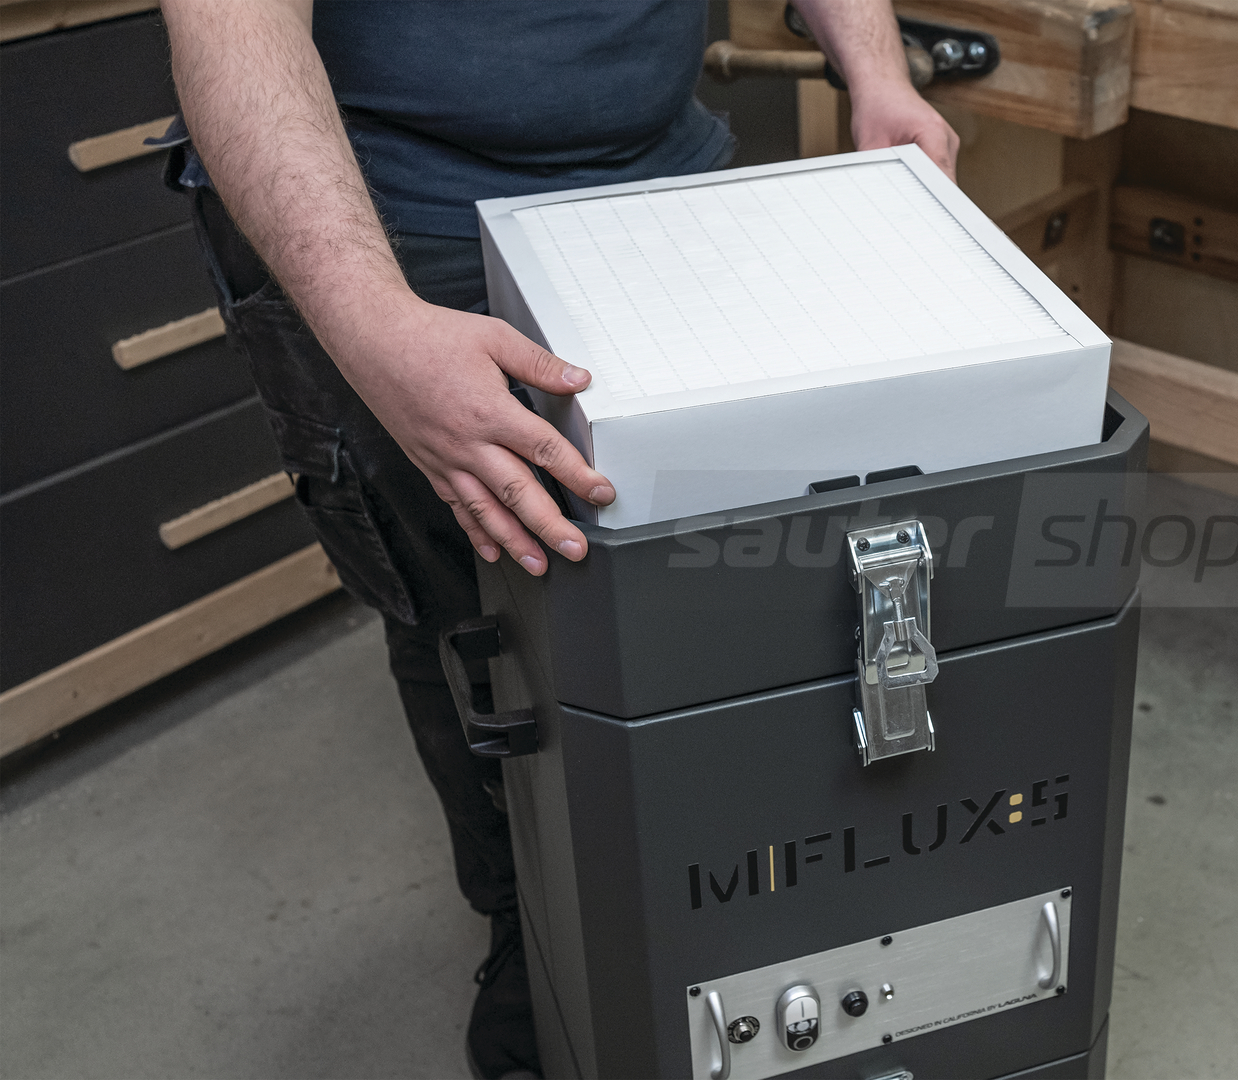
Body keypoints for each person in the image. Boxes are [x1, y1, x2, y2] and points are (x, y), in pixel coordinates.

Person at [156, 2, 959, 1076]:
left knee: (713, 598)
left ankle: (729, 896)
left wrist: (877, 70)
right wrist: (373, 323)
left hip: (659, 180)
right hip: (391, 224)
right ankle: (535, 939)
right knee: (481, 619)